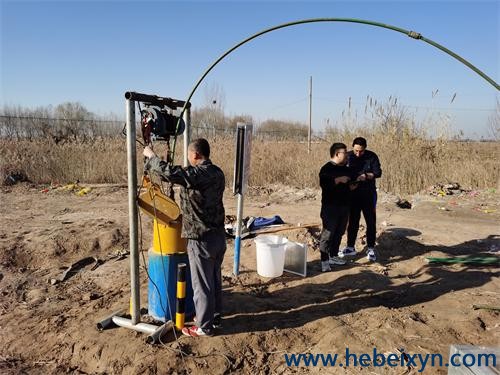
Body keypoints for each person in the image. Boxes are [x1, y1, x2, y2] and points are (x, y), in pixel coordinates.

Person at [143, 138, 226, 337]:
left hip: (201, 238)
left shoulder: (198, 174)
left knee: (201, 284)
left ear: (196, 155)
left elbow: (172, 174)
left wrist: (152, 158)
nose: (188, 159)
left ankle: (204, 327)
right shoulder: (217, 172)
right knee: (214, 279)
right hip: (218, 236)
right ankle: (214, 316)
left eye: (189, 155)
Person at [339, 137, 382, 262]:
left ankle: (370, 248)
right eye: (356, 150)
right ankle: (350, 247)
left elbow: (378, 172)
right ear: (352, 147)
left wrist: (367, 176)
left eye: (361, 151)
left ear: (365, 148)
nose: (358, 154)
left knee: (370, 222)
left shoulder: (372, 156)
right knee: (353, 221)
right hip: (352, 195)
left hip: (368, 194)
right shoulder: (347, 156)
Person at [318, 142, 356, 272]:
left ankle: (333, 255)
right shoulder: (326, 169)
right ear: (337, 154)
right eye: (345, 153)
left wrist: (352, 185)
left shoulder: (346, 169)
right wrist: (338, 180)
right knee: (327, 234)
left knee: (339, 233)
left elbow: (349, 185)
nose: (347, 156)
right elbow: (324, 185)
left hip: (344, 206)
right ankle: (324, 260)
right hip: (330, 208)